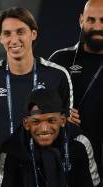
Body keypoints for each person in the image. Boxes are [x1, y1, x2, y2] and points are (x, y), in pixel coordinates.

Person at [0, 88, 100, 187]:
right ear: (26, 123)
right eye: (36, 121)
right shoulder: (13, 148)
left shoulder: (79, 144)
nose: (44, 129)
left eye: (51, 120)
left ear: (63, 120)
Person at [0, 7, 74, 167]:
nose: (14, 40)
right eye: (7, 33)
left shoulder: (57, 75)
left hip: (46, 174)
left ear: (33, 34)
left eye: (20, 32)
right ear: (0, 38)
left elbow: (67, 130)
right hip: (3, 179)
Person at [50, 0, 103, 170]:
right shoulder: (60, 60)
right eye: (91, 20)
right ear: (81, 20)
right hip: (69, 164)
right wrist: (59, 113)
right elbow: (36, 106)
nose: (97, 26)